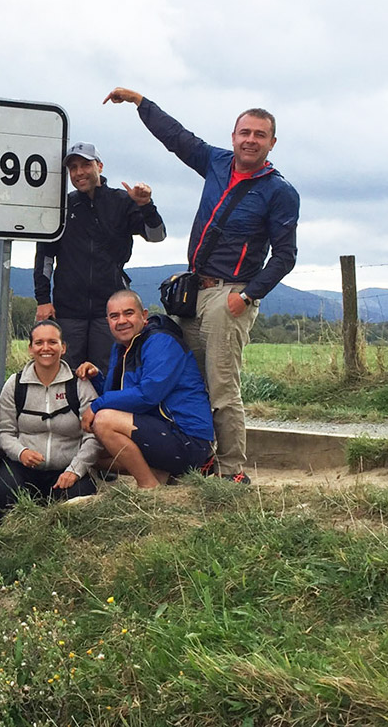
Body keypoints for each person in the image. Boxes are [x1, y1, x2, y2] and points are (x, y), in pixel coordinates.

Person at [104, 88, 300, 483]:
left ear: (272, 143)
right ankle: (200, 460)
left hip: (230, 293)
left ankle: (232, 472)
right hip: (192, 294)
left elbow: (285, 256)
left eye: (259, 135)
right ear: (233, 136)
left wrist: (245, 297)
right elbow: (178, 138)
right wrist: (142, 103)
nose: (250, 140)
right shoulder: (217, 162)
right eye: (244, 132)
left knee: (222, 387)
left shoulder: (279, 191)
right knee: (189, 382)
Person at [34, 142, 167, 374]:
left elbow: (157, 236)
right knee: (67, 374)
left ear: (100, 166)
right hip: (68, 310)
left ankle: (106, 412)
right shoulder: (63, 206)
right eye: (73, 168)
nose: (79, 172)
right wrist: (43, 299)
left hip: (110, 310)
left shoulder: (122, 202)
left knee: (109, 374)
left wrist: (146, 205)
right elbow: (45, 256)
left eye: (86, 165)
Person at [76, 291, 215, 489]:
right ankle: (161, 473)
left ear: (144, 315)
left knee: (104, 421)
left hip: (188, 439)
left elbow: (148, 395)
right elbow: (120, 394)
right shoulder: (122, 347)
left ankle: (148, 487)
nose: (121, 321)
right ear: (108, 321)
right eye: (114, 316)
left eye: (128, 313)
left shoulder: (162, 342)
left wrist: (98, 405)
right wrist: (97, 378)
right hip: (158, 431)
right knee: (87, 452)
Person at [0, 320, 100, 513]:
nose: (46, 348)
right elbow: (4, 432)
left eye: (52, 342)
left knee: (82, 501)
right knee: (6, 491)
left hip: (67, 468)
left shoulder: (79, 385)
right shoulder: (15, 385)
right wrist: (21, 452)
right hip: (22, 467)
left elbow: (93, 436)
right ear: (30, 348)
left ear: (63, 347)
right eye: (39, 342)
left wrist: (75, 470)